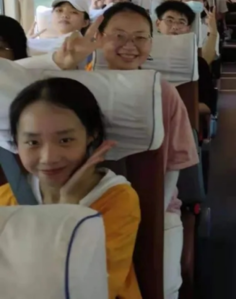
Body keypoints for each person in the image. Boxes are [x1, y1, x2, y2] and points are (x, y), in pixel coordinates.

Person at [0, 77, 142, 299]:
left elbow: (92, 289)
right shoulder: (6, 198)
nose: (49, 158)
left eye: (65, 140)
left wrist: (69, 207)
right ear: (16, 142)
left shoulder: (117, 199)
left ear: (91, 135)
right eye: (33, 142)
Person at [93, 3, 198, 299]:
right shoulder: (76, 87)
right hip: (89, 208)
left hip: (157, 208)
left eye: (140, 38)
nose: (130, 46)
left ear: (151, 43)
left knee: (162, 288)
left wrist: (152, 214)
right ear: (99, 37)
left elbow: (174, 164)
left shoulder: (163, 92)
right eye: (119, 36)